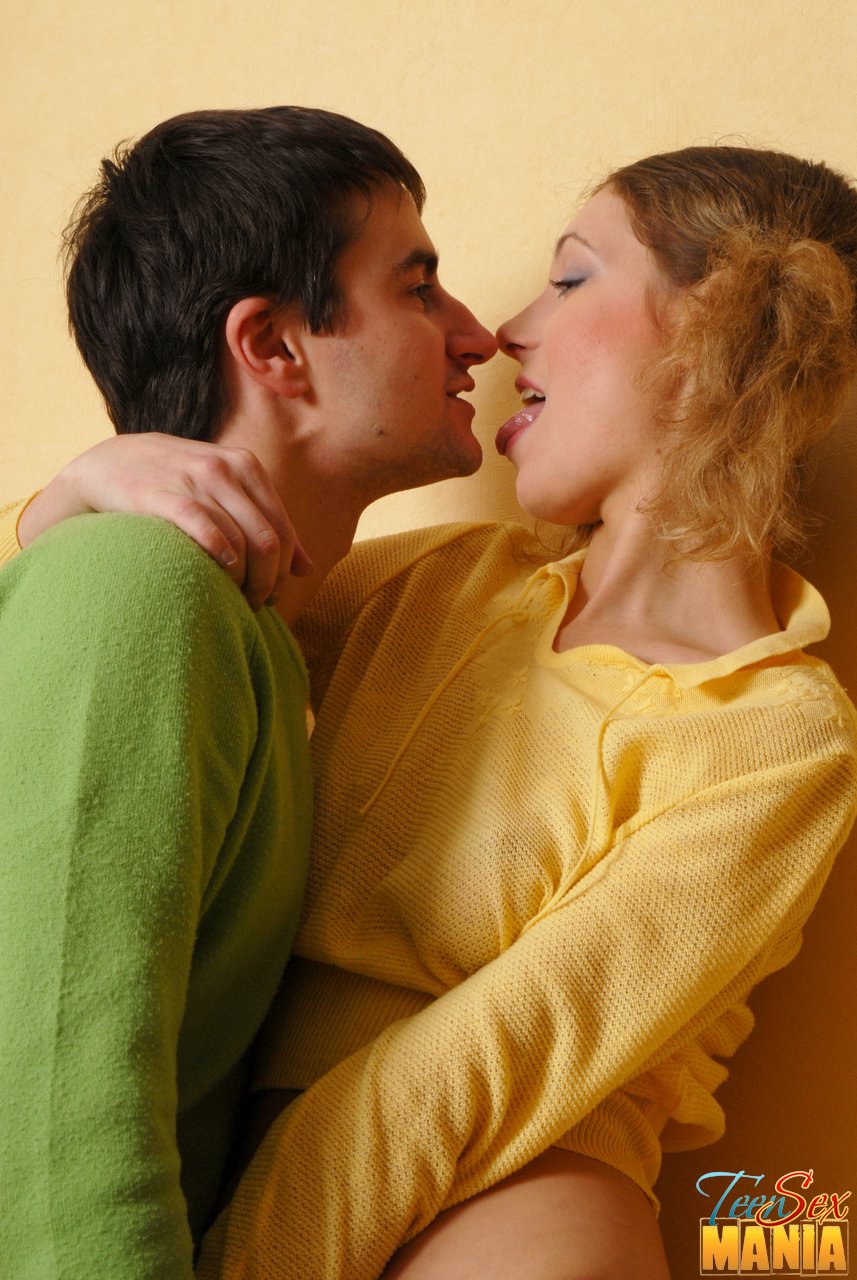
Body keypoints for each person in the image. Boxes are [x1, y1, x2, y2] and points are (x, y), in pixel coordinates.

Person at [4, 145, 857, 1280]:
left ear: (718, 324)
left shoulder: (777, 734)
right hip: (263, 1189)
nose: (505, 331)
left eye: (569, 279)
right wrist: (61, 504)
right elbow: (107, 658)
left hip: (510, 1208)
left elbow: (495, 1056)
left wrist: (238, 1261)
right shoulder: (442, 583)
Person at [0, 106, 496, 1280]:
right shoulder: (137, 583)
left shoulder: (258, 628)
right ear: (272, 346)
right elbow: (49, 1101)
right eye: (418, 287)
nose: (477, 335)